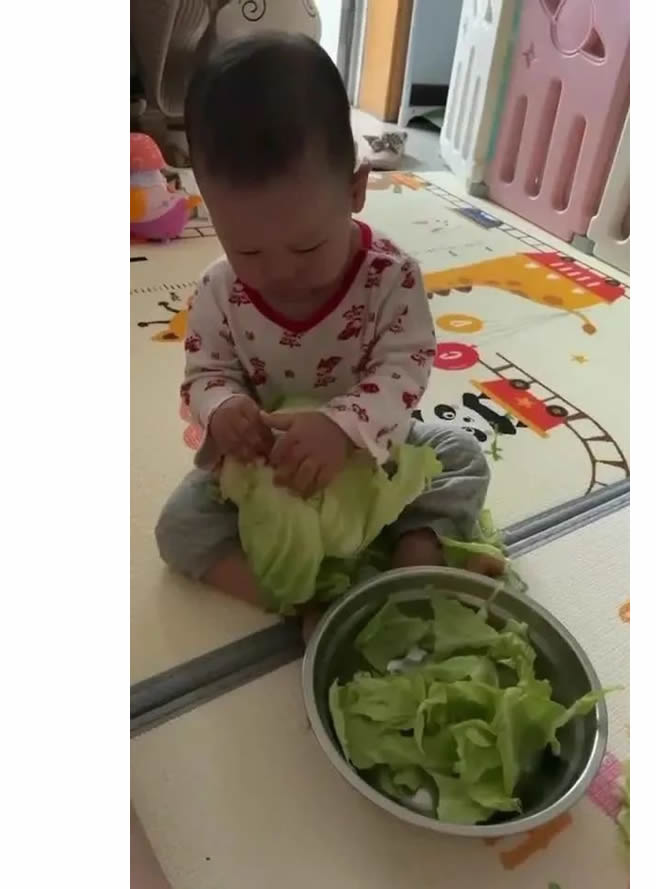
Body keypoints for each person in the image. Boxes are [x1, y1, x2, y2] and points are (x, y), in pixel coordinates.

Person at [155, 32, 502, 608]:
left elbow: (405, 368)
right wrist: (223, 409)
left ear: (356, 189)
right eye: (247, 249)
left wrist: (343, 427)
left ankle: (413, 560)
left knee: (462, 455)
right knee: (179, 526)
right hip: (271, 470)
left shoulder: (390, 277)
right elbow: (205, 372)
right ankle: (301, 603)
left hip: (370, 455)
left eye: (306, 246)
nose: (277, 273)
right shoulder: (219, 289)